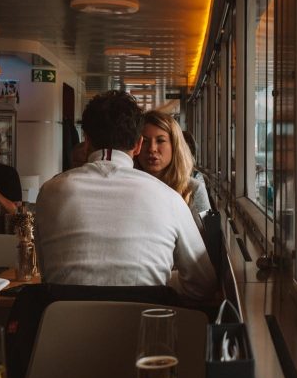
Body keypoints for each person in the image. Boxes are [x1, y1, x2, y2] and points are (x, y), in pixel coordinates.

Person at [35, 91, 216, 301]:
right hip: (145, 319)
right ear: (138, 145)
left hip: (62, 319)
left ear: (86, 140)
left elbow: (46, 274)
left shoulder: (49, 192)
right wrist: (161, 281)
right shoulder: (169, 198)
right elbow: (203, 285)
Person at [136, 111, 212, 215]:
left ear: (174, 145)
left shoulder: (194, 189)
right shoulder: (127, 186)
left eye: (160, 141)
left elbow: (211, 226)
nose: (152, 148)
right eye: (145, 141)